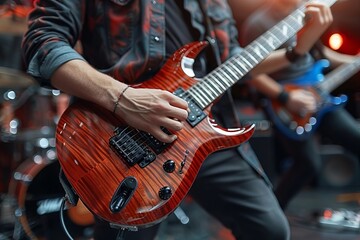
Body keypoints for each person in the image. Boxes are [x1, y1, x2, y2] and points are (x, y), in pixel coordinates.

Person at [21, 1, 333, 239]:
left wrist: (297, 49)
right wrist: (123, 98)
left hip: (202, 134)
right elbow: (44, 43)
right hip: (122, 139)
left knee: (270, 229)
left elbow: (236, 63)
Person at [239, 0, 360, 210]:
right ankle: (268, 219)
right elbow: (249, 72)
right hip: (286, 104)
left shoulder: (305, 11)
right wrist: (287, 97)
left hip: (319, 97)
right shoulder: (258, 23)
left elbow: (320, 54)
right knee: (307, 165)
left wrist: (354, 62)